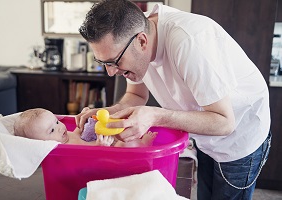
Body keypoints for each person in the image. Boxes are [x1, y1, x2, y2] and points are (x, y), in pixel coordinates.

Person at [76, 0, 271, 199]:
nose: (110, 73)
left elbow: (225, 123)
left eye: (114, 62)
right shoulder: (136, 42)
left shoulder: (189, 42)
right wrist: (111, 113)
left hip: (240, 132)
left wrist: (156, 116)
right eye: (103, 62)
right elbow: (136, 95)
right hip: (206, 131)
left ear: (142, 42)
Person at [14, 108, 157, 147]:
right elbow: (86, 155)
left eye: (56, 122)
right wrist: (100, 147)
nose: (59, 128)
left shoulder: (64, 136)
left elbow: (77, 134)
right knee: (123, 144)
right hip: (102, 154)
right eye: (51, 130)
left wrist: (84, 117)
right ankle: (143, 144)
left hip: (101, 142)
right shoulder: (63, 148)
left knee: (120, 131)